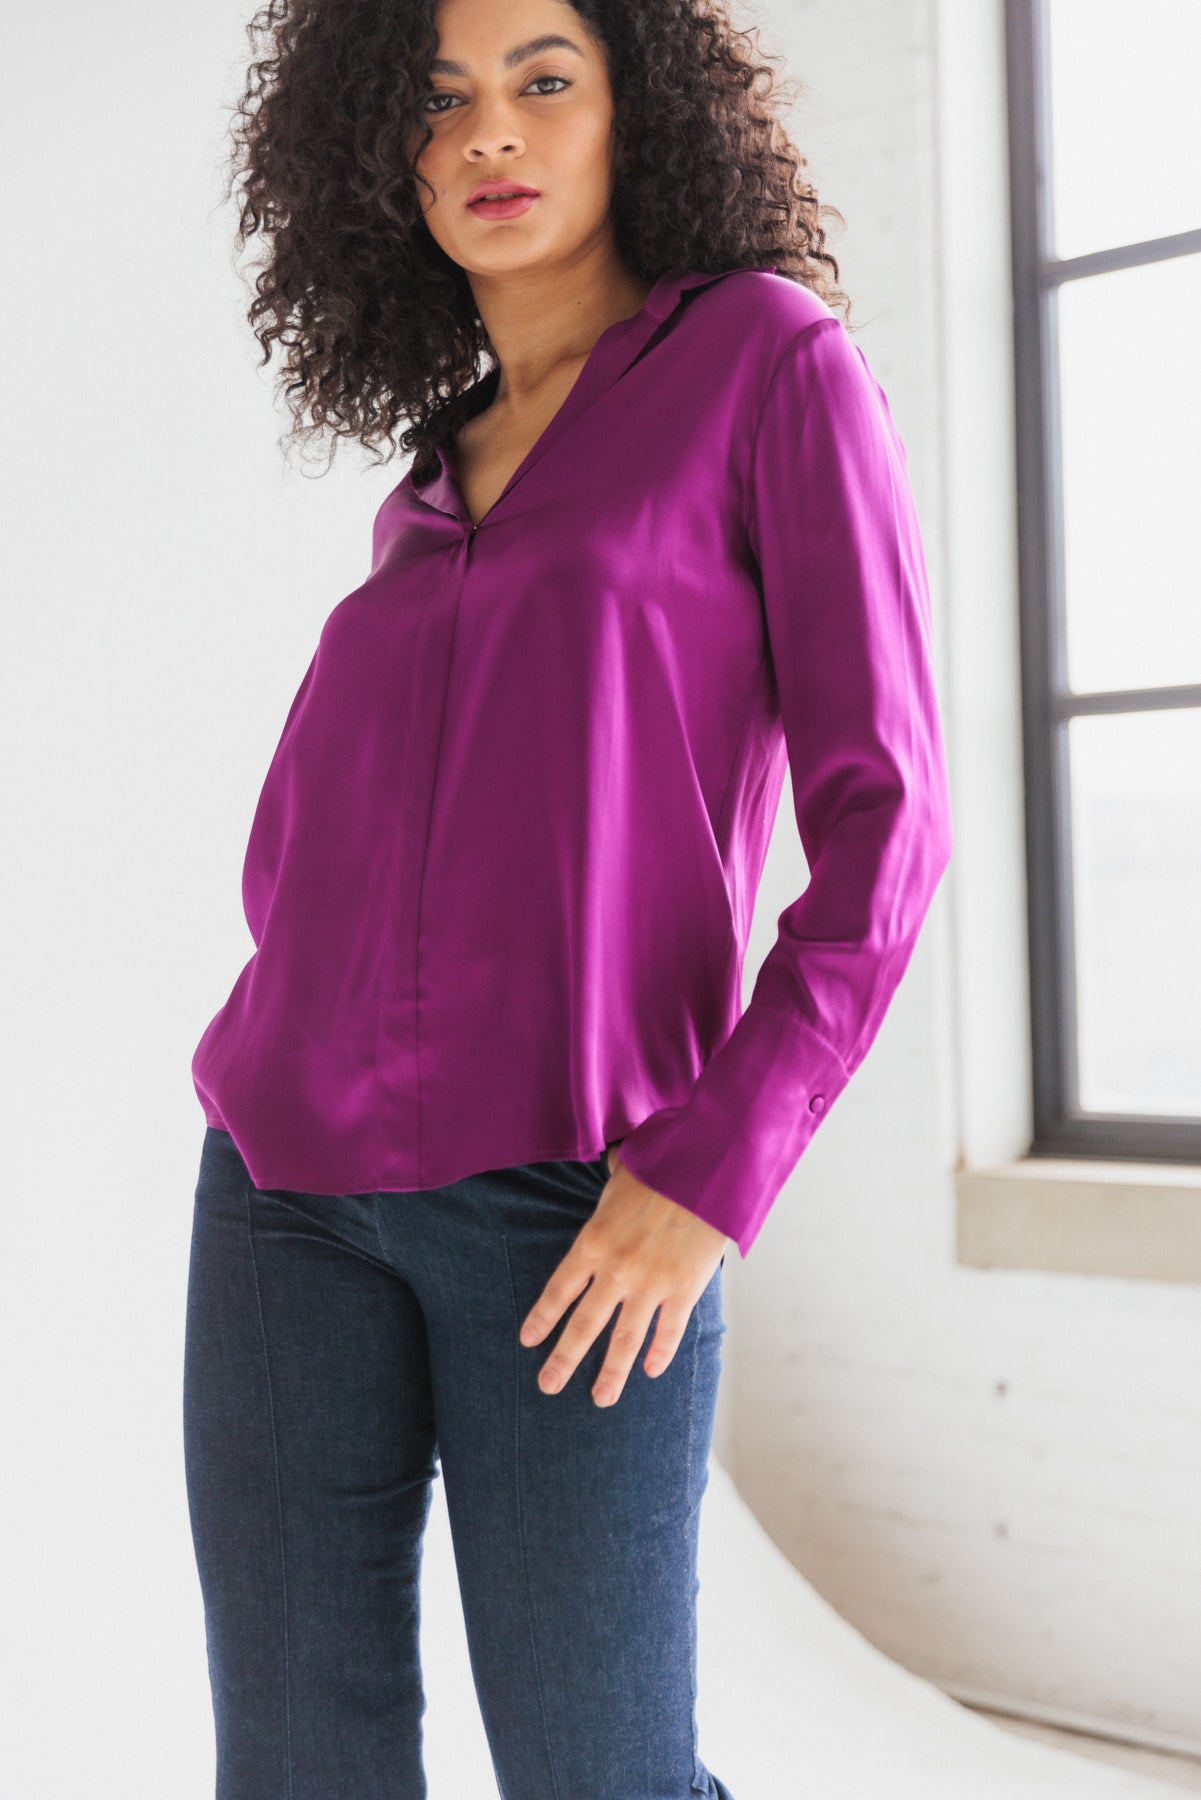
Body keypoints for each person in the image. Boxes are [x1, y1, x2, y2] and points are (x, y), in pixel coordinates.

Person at [182, 0, 954, 1795]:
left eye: (543, 81)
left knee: (598, 1771)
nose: (487, 136)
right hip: (282, 1196)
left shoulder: (765, 364)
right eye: (437, 100)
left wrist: (716, 1167)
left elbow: (885, 818)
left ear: (638, 114)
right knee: (294, 1765)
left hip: (577, 1207)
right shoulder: (427, 484)